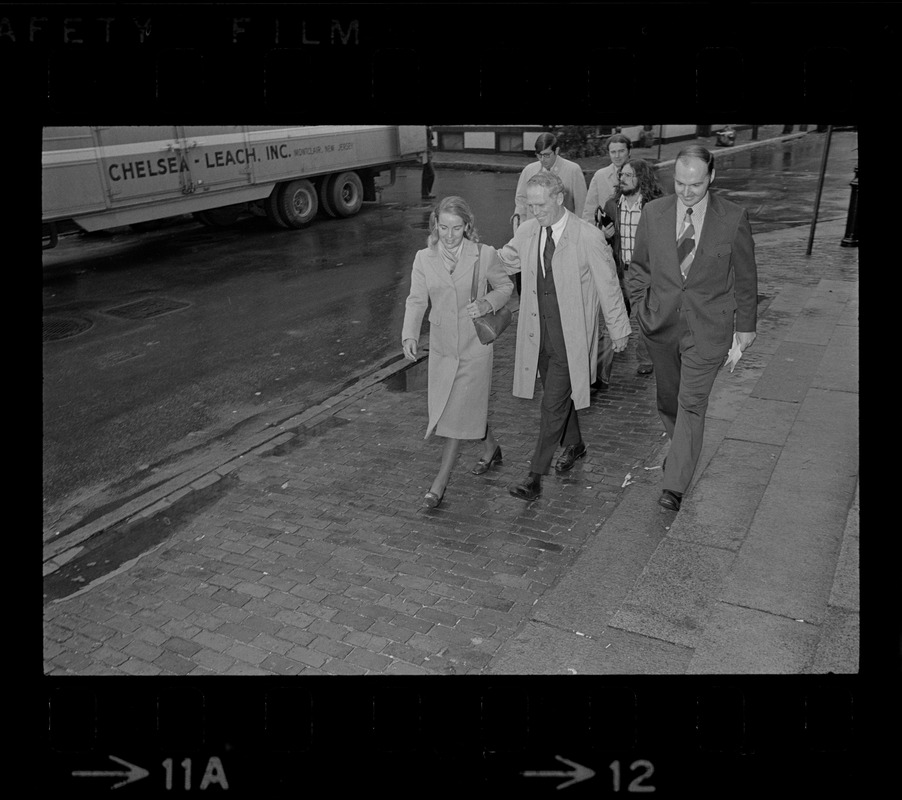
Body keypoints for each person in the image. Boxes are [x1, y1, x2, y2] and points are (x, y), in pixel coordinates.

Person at [628, 146, 758, 512]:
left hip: (709, 328)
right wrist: (642, 308)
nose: (687, 192)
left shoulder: (733, 218)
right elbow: (639, 267)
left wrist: (745, 327)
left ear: (711, 178)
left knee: (692, 403)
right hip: (662, 324)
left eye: (696, 185)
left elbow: (747, 277)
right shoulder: (654, 213)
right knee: (669, 401)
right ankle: (681, 448)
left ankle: (675, 485)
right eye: (680, 183)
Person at [497, 172, 631, 501]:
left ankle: (534, 477)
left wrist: (618, 328)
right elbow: (505, 259)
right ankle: (575, 443)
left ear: (558, 199)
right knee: (558, 399)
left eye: (540, 205)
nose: (534, 211)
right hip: (537, 336)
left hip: (571, 337)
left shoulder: (587, 237)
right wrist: (469, 254)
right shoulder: (528, 231)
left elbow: (609, 286)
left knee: (551, 405)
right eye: (530, 205)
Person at [402, 196, 513, 508]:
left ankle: (439, 483)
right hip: (442, 347)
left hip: (474, 347)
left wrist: (487, 303)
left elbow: (506, 289)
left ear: (468, 226)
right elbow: (416, 299)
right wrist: (410, 334)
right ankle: (490, 446)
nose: (449, 234)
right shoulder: (424, 258)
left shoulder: (484, 255)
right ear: (435, 225)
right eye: (443, 227)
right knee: (461, 409)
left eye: (456, 227)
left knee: (453, 414)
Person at [597, 158, 664, 380]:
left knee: (644, 317)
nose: (622, 179)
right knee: (611, 316)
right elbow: (607, 240)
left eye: (628, 175)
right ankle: (600, 369)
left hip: (645, 273)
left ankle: (645, 359)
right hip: (618, 271)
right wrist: (605, 235)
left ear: (641, 179)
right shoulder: (612, 206)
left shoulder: (655, 206)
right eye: (621, 175)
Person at [512, 132, 588, 296]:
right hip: (535, 235)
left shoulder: (573, 170)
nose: (542, 160)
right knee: (534, 281)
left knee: (561, 285)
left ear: (557, 151)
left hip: (563, 238)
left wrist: (580, 239)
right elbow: (521, 199)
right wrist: (519, 225)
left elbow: (583, 206)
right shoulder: (529, 170)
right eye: (539, 155)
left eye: (546, 155)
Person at [582, 133, 632, 224]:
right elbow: (589, 210)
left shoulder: (639, 173)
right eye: (613, 152)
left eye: (621, 151)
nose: (617, 156)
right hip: (607, 233)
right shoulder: (600, 176)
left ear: (629, 152)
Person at [421, 126, 436, 200]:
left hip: (428, 151)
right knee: (430, 173)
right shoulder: (424, 129)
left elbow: (431, 140)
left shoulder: (428, 128)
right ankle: (426, 192)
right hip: (425, 152)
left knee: (426, 173)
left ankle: (425, 192)